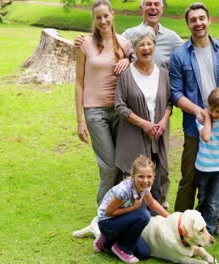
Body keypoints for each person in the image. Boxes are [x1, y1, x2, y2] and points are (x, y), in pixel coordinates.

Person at [75, 0, 219, 210]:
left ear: (162, 8)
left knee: (161, 161)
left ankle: (160, 204)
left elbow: (198, 41)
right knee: (116, 165)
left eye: (156, 4)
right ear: (141, 9)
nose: (152, 7)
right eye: (147, 4)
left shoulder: (166, 39)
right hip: (118, 107)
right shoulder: (126, 36)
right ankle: (110, 211)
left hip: (158, 107)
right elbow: (112, 57)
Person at [169, 2, 219, 240]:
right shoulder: (180, 55)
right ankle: (179, 223)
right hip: (195, 126)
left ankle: (216, 223)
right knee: (189, 176)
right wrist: (198, 111)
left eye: (202, 18)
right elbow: (176, 93)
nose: (198, 23)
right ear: (188, 24)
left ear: (209, 20)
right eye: (193, 20)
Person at [75, 0, 132, 205]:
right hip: (95, 112)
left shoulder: (123, 43)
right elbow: (79, 82)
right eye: (98, 17)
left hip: (118, 110)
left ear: (112, 15)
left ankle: (114, 211)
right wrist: (80, 121)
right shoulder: (84, 44)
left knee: (119, 163)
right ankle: (102, 212)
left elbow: (139, 64)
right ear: (94, 19)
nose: (103, 20)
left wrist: (128, 60)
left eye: (106, 16)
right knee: (109, 165)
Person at [115, 26, 172, 210]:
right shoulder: (126, 74)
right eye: (141, 45)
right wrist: (143, 123)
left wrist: (163, 121)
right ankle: (136, 219)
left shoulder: (162, 73)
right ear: (135, 49)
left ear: (154, 47)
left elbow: (170, 102)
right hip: (134, 136)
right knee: (136, 181)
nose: (146, 48)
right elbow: (119, 106)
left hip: (158, 136)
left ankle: (158, 221)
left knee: (159, 178)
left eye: (149, 44)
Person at [94, 155, 169, 263]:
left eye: (149, 176)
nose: (145, 180)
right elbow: (109, 212)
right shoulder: (124, 190)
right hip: (106, 223)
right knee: (144, 215)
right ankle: (122, 249)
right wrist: (133, 208)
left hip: (120, 221)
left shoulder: (145, 186)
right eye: (141, 176)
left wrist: (170, 217)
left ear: (154, 176)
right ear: (133, 176)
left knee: (144, 254)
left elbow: (152, 203)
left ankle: (106, 241)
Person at [195, 88, 219, 236]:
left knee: (213, 201)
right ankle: (198, 227)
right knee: (202, 198)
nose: (214, 114)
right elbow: (205, 136)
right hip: (203, 167)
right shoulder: (202, 118)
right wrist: (207, 119)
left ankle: (209, 230)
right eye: (212, 109)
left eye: (218, 112)